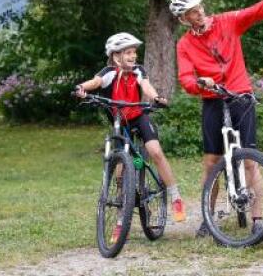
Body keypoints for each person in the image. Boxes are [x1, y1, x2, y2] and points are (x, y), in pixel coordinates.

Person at [170, 0, 263, 237]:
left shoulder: (227, 21)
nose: (198, 12)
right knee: (211, 163)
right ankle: (207, 218)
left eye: (198, 6)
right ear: (184, 19)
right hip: (212, 99)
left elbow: (257, 11)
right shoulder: (185, 45)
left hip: (240, 95)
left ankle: (257, 219)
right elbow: (185, 78)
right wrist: (199, 83)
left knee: (248, 159)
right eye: (191, 11)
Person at [75, 32, 186, 242]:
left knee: (154, 151)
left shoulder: (138, 71)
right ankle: (120, 220)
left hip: (138, 117)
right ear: (116, 56)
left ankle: (175, 197)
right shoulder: (109, 72)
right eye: (128, 53)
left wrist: (156, 97)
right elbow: (95, 82)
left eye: (134, 52)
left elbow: (146, 86)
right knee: (120, 172)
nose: (133, 56)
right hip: (119, 121)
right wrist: (82, 88)